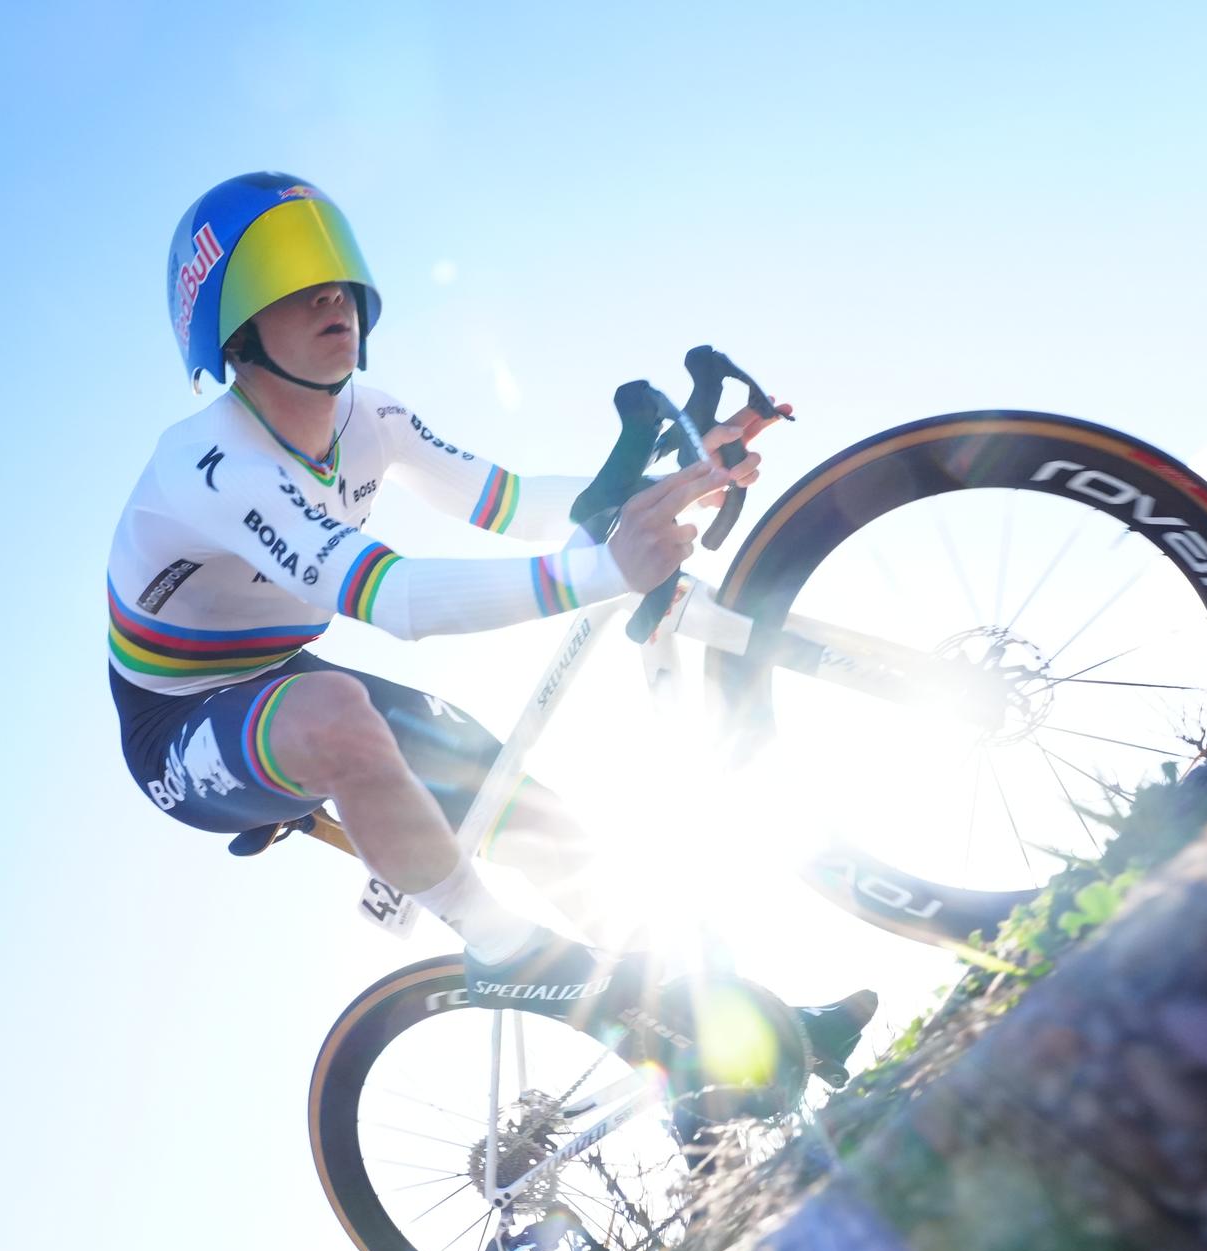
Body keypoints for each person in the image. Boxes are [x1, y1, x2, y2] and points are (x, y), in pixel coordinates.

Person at [108, 172, 871, 1079]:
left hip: (286, 672)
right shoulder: (210, 461)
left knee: (539, 819)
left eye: (335, 269)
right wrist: (603, 570)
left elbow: (513, 504)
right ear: (232, 333)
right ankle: (499, 948)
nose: (329, 297)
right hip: (178, 727)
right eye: (287, 278)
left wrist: (678, 474)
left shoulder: (371, 416)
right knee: (335, 715)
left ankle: (757, 1027)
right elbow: (394, 599)